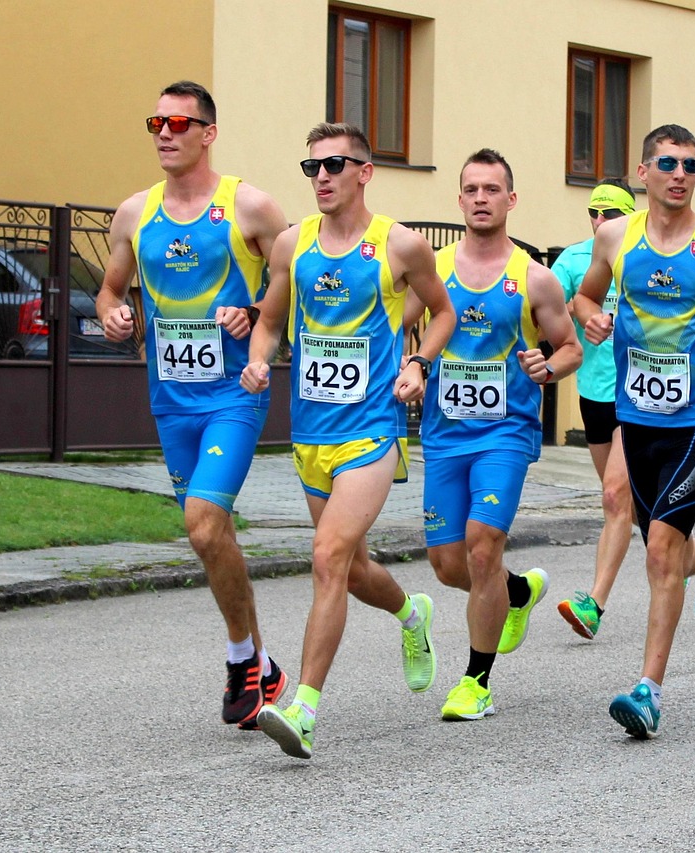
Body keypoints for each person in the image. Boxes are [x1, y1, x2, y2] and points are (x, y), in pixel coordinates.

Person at [239, 122, 456, 759]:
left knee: (329, 556)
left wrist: (418, 364)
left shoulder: (401, 246)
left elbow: (441, 312)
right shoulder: (291, 246)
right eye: (312, 168)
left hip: (372, 431)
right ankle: (413, 613)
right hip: (310, 432)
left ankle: (303, 708)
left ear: (365, 171)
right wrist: (257, 359)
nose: (322, 177)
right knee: (355, 569)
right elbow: (270, 322)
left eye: (335, 165)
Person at [96, 81, 290, 730]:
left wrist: (258, 311)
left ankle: (240, 660)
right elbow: (108, 292)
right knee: (213, 540)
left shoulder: (251, 207)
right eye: (156, 120)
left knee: (204, 522)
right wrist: (115, 318)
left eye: (180, 122)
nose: (164, 132)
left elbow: (305, 278)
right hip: (171, 402)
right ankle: (264, 660)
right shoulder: (133, 215)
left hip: (235, 395)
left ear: (208, 133)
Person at [573, 124, 695, 739]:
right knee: (664, 544)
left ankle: (648, 689)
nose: (680, 174)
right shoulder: (614, 235)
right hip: (636, 417)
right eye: (668, 163)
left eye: (691, 165)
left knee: (658, 552)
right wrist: (592, 318)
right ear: (643, 172)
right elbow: (585, 298)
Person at [409, 148, 582, 721]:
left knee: (483, 544)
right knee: (447, 563)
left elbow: (570, 347)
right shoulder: (430, 269)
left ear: (511, 200)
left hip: (505, 431)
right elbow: (394, 323)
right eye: (471, 189)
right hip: (443, 433)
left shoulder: (534, 278)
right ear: (459, 200)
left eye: (492, 189)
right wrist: (410, 367)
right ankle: (516, 593)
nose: (481, 198)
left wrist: (548, 369)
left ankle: (475, 683)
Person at [552, 178, 637, 639]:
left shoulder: (643, 255)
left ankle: (594, 603)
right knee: (636, 513)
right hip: (595, 392)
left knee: (613, 497)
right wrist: (570, 312)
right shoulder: (574, 259)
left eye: (611, 213)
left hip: (638, 393)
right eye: (594, 212)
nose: (600, 220)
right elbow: (549, 307)